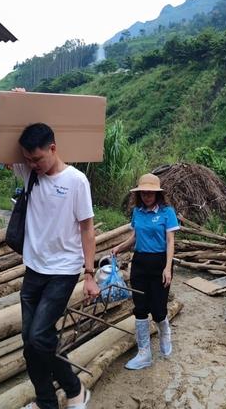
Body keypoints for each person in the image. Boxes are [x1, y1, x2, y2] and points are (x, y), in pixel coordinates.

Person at [13, 121, 99, 409]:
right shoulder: (28, 173)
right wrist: (18, 103)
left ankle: (75, 389)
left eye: (37, 158)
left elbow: (87, 229)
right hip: (34, 268)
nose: (32, 164)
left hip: (63, 271)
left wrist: (89, 274)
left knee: (39, 336)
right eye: (28, 159)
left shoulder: (76, 181)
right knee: (29, 343)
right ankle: (46, 402)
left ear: (53, 148)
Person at [111, 173, 179, 369]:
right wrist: (119, 248)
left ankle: (165, 334)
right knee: (140, 308)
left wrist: (167, 268)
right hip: (139, 262)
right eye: (143, 193)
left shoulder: (167, 212)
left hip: (160, 263)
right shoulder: (138, 212)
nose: (147, 196)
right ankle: (144, 354)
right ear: (139, 194)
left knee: (158, 310)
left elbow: (170, 241)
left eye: (151, 193)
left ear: (158, 194)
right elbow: (134, 237)